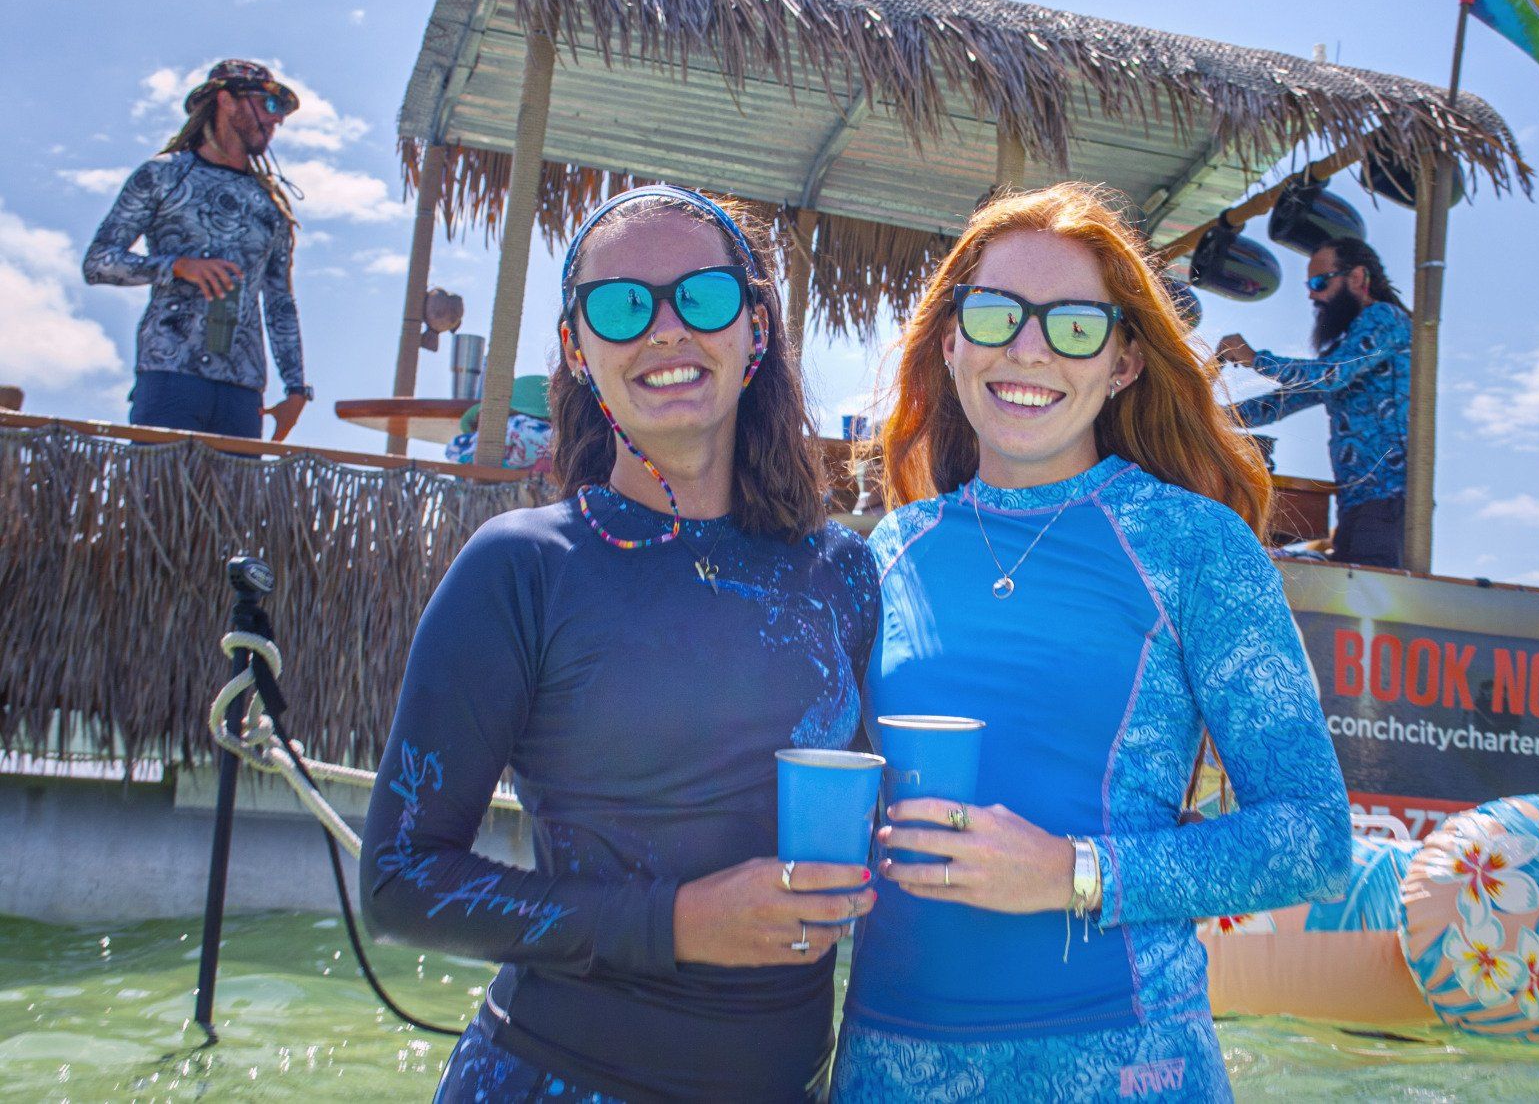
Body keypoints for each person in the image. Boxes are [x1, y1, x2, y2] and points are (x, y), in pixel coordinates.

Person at [359, 186, 880, 1102]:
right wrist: (674, 922)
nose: (667, 329)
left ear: (755, 327)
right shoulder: (524, 567)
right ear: (576, 349)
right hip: (556, 1075)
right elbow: (401, 881)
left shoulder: (843, 572)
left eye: (705, 297)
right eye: (622, 305)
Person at [833, 184, 1351, 1102]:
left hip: (1124, 1070)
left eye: (1073, 326)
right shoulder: (887, 551)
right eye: (995, 315)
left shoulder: (1195, 547)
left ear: (1122, 363)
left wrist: (1073, 872)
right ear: (951, 338)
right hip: (887, 1068)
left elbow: (1311, 837)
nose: (1027, 349)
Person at [81, 59, 312, 440]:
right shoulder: (163, 175)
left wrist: (296, 389)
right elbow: (99, 262)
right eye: (268, 106)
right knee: (160, 496)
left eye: (281, 112)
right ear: (227, 101)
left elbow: (280, 301)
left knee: (231, 502)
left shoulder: (270, 202)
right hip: (170, 375)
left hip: (243, 387)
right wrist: (177, 267)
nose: (276, 120)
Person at [1216, 236, 1412, 568]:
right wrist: (1205, 416)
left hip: (1387, 501)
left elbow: (1329, 375)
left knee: (1367, 602)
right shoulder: (1352, 351)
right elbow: (1283, 401)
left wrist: (1254, 359)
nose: (1311, 294)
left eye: (1320, 283)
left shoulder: (1384, 318)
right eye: (1310, 284)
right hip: (1360, 503)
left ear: (1358, 279)